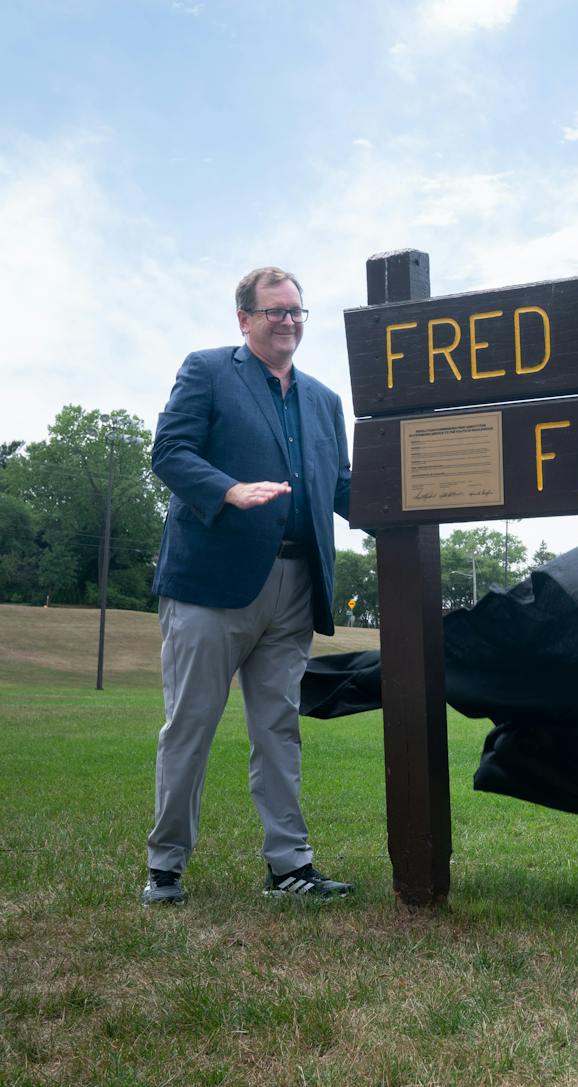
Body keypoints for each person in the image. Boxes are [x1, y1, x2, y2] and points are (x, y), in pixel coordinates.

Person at [142, 267, 354, 904]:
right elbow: (170, 451)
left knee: (279, 728)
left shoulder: (323, 401)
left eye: (296, 312)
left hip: (296, 583)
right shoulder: (207, 371)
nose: (288, 321)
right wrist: (228, 490)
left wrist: (417, 507)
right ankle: (166, 868)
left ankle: (289, 866)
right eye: (274, 312)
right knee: (191, 724)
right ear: (244, 319)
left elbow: (341, 488)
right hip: (211, 583)